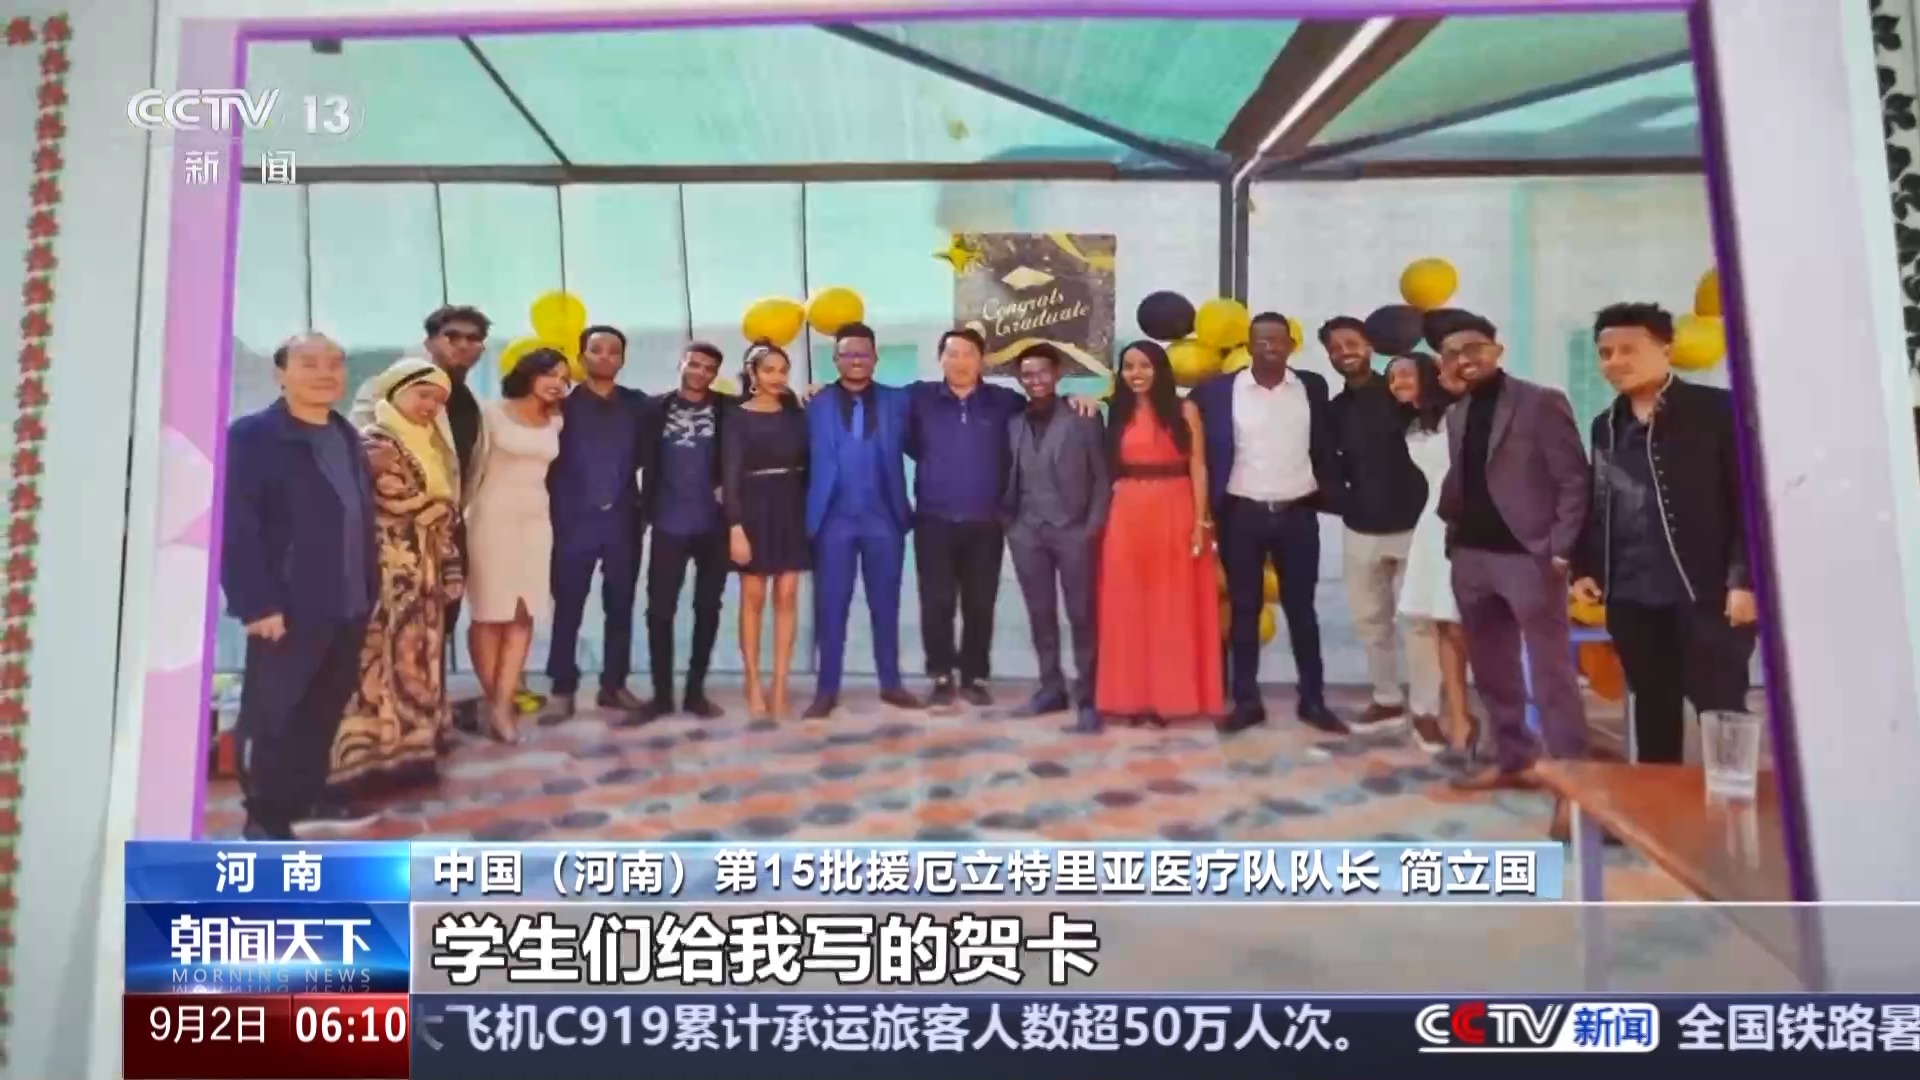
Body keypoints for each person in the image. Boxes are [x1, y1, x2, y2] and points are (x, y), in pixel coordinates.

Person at [1571, 302, 1757, 765]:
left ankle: (1731, 800)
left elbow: (1750, 501)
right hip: (1632, 598)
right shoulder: (1604, 426)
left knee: (1721, 708)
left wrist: (1744, 580)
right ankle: (1658, 804)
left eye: (1628, 350)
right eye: (1605, 353)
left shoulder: (1718, 411)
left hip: (1707, 595)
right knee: (1653, 708)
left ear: (1666, 349)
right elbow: (1600, 505)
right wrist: (1584, 568)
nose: (1614, 362)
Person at [1428, 309, 1590, 837]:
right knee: (1493, 669)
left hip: (1530, 558)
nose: (1464, 359)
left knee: (1551, 676)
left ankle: (1573, 787)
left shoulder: (1541, 402)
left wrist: (1562, 549)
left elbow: (1574, 480)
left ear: (1497, 351)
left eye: (1474, 348)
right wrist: (1453, 540)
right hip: (1471, 557)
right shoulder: (1457, 411)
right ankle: (1514, 758)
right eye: (1452, 354)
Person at [221, 333, 377, 840]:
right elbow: (235, 525)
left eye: (335, 363)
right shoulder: (253, 437)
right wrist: (256, 603)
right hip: (286, 607)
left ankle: (305, 795)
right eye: (309, 363)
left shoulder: (344, 434)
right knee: (273, 714)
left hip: (348, 602)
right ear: (280, 373)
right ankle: (264, 816)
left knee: (322, 708)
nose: (326, 373)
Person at [1190, 312, 1346, 736]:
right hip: (1241, 515)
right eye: (1260, 340)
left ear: (1291, 345)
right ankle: (1246, 702)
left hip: (1297, 514)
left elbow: (1324, 444)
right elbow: (1179, 417)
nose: (1269, 347)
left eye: (1277, 340)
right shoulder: (1219, 391)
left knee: (1302, 611)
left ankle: (1313, 701)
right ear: (1248, 345)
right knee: (1244, 611)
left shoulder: (1311, 387)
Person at [352, 305, 495, 736]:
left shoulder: (467, 400)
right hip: (396, 539)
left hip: (446, 530)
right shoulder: (392, 386)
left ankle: (427, 716)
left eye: (474, 339)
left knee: (437, 626)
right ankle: (386, 728)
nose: (464, 345)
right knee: (392, 633)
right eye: (453, 336)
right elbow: (364, 451)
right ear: (431, 339)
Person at [326, 357, 463, 799]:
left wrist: (451, 567)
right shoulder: (375, 439)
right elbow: (397, 499)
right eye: (422, 395)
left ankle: (412, 752)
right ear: (395, 391)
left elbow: (444, 510)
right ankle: (369, 757)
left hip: (423, 574)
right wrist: (436, 510)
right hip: (385, 570)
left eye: (438, 400)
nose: (429, 406)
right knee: (379, 662)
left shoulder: (429, 443)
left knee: (417, 659)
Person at [1094, 341, 1225, 724]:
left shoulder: (1185, 410)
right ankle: (1132, 699)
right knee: (1128, 606)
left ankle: (1171, 698)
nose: (1136, 373)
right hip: (1127, 511)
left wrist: (1201, 522)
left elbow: (1199, 467)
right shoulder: (1115, 411)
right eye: (1129, 366)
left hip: (1176, 508)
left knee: (1172, 607)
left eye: (1145, 366)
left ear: (1160, 370)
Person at [803, 322, 925, 718]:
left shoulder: (898, 401)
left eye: (863, 353)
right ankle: (826, 690)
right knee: (830, 607)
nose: (856, 360)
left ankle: (891, 684)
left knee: (885, 605)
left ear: (875, 358)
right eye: (847, 354)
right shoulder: (813, 404)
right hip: (832, 520)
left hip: (883, 517)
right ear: (835, 359)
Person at [906, 328, 1027, 710]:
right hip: (933, 520)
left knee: (980, 602)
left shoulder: (1005, 402)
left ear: (982, 360)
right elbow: (872, 399)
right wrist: (817, 391)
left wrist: (1078, 401)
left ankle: (975, 676)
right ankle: (941, 675)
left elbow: (1044, 410)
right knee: (936, 602)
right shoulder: (919, 399)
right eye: (952, 354)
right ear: (940, 359)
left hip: (985, 522)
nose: (960, 362)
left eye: (968, 354)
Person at [1325, 315, 1427, 731]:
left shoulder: (1402, 394)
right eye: (1335, 348)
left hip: (1414, 526)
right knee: (1370, 621)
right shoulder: (1335, 410)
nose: (1345, 352)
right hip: (1360, 529)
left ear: (1370, 346)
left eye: (1352, 343)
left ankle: (1426, 708)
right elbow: (1328, 464)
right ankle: (1386, 699)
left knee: (1418, 621)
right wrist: (1343, 502)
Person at [542, 325, 648, 724]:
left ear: (623, 359)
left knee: (620, 606)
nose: (605, 356)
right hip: (573, 521)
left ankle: (614, 685)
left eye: (613, 351)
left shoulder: (638, 405)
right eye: (596, 349)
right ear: (581, 356)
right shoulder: (560, 407)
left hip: (623, 520)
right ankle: (561, 688)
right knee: (568, 606)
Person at [465, 347, 570, 744]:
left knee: (524, 614)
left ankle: (502, 703)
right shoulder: (489, 412)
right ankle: (495, 702)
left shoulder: (556, 421)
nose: (558, 383)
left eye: (565, 378)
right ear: (530, 373)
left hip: (537, 522)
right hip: (491, 519)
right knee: (490, 613)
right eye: (551, 374)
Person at [1004, 342, 1109, 733]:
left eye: (1042, 372)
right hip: (1026, 532)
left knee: (1083, 616)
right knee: (1040, 614)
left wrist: (1091, 528)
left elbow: (1102, 478)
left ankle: (1090, 697)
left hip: (1073, 532)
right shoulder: (1014, 423)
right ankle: (1051, 688)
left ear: (1057, 373)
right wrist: (1010, 525)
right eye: (1027, 374)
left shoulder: (1083, 417)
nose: (1035, 380)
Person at [633, 342, 732, 724]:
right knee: (659, 611)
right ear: (681, 364)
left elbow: (771, 406)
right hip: (668, 523)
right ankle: (661, 696)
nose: (700, 372)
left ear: (715, 374)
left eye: (709, 368)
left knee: (708, 609)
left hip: (714, 526)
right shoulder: (653, 408)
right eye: (694, 364)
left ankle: (695, 693)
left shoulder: (729, 408)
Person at [1385, 352, 1475, 761]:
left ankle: (1469, 715)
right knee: (1441, 623)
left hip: (1465, 523)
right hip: (1431, 525)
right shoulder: (1413, 424)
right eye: (1392, 378)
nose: (1398, 382)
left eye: (1406, 373)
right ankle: (1456, 717)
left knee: (1461, 625)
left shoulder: (1459, 414)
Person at [724, 343, 811, 719]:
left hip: (791, 507)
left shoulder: (796, 415)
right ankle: (753, 682)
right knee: (753, 597)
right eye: (769, 369)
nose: (777, 377)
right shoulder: (736, 417)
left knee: (788, 595)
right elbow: (729, 477)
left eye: (782, 370)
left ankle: (780, 683)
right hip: (752, 509)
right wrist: (735, 527)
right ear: (753, 374)